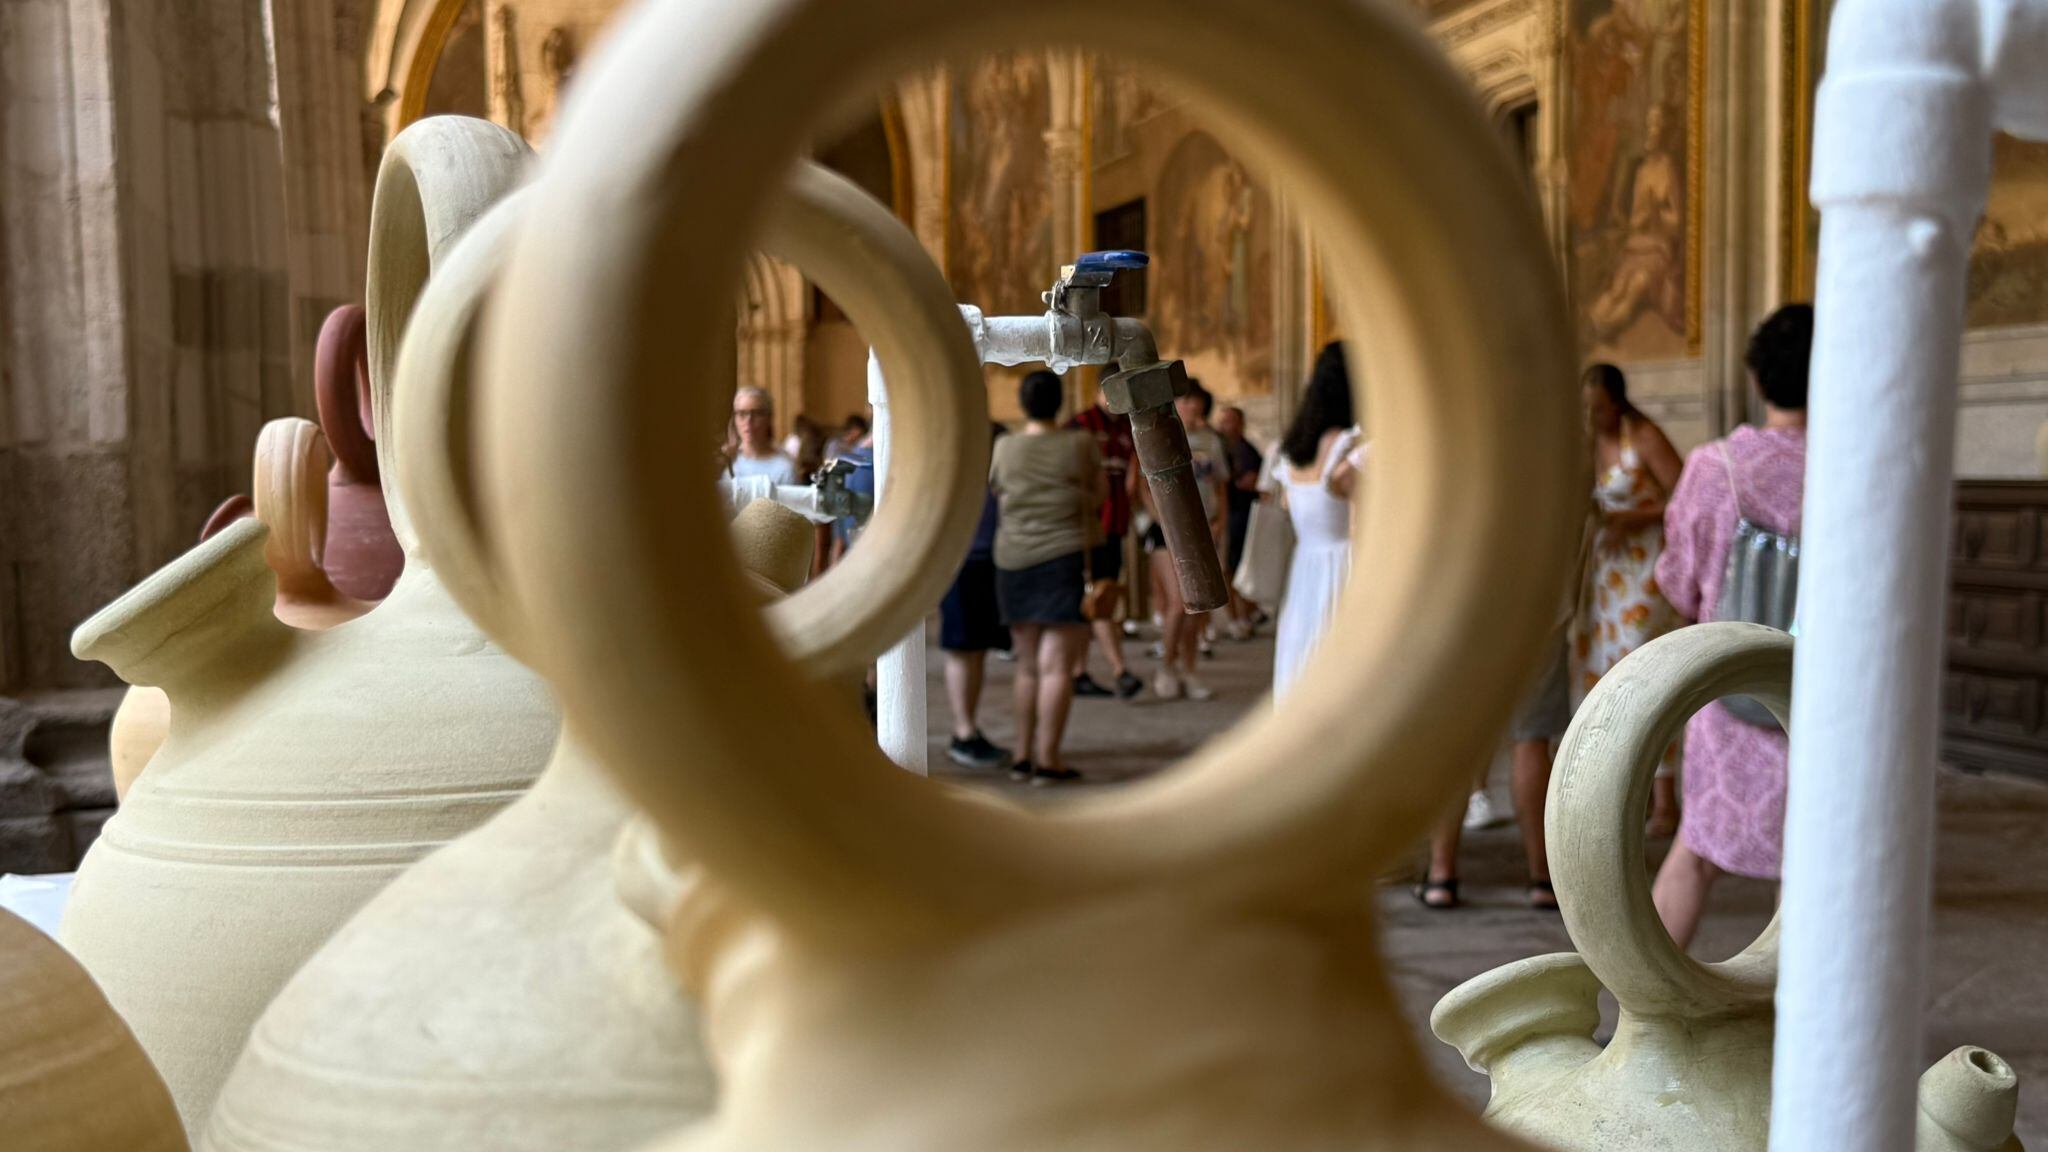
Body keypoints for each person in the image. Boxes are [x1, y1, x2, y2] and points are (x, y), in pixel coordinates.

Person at [1650, 303, 1812, 950]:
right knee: (1813, 866)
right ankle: (1805, 1032)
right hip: (1828, 699)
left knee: (1695, 851)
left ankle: (1642, 1016)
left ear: (1754, 378)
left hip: (1730, 685)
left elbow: (1679, 581)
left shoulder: (1715, 467)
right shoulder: (1858, 467)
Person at [1572, 362, 1686, 836]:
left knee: (1646, 675)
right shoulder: (1585, 442)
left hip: (1644, 573)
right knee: (1603, 674)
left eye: (1598, 406)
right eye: (1585, 407)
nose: (1591, 415)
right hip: (1604, 574)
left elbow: (1684, 496)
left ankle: (1665, 802)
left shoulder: (1643, 436)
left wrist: (1635, 517)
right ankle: (1622, 790)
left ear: (1616, 402)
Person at [988, 371, 1104, 785]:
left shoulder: (1005, 447)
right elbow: (1100, 496)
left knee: (1027, 666)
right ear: (1060, 401)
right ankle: (1048, 760)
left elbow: (999, 495)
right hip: (1064, 558)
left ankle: (1021, 756)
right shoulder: (1080, 443)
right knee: (1057, 668)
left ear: (1022, 403)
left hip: (1013, 560)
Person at [1415, 623, 1574, 911]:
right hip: (1540, 610)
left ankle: (1441, 875)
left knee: (1455, 739)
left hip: (1465, 611)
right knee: (1531, 742)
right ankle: (1544, 879)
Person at [1272, 343, 1360, 701]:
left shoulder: (1291, 448)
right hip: (1344, 564)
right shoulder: (1350, 446)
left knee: (1303, 655)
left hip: (1305, 568)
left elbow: (1286, 502)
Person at [1146, 381, 1230, 700]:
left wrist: (1221, 520)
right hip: (1167, 532)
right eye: (1184, 399)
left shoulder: (1211, 441)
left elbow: (1221, 485)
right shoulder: (1156, 432)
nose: (1190, 405)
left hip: (1203, 527)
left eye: (1194, 400)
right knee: (1180, 604)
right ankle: (1167, 666)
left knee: (1198, 606)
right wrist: (1161, 519)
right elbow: (1138, 485)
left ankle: (1189, 670)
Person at [941, 423, 1014, 771]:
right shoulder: (954, 471)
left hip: (989, 562)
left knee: (978, 648)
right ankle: (963, 731)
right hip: (960, 564)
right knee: (962, 647)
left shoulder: (993, 474)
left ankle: (968, 726)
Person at [1068, 385, 1145, 699]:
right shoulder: (1082, 424)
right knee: (1097, 597)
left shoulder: (1126, 427)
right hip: (1088, 527)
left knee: (1104, 594)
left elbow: (1133, 472)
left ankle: (1079, 672)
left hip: (1116, 523)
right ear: (1104, 389)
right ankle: (1119, 669)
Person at [1216, 404, 1268, 640]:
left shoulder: (1248, 451)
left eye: (1230, 421)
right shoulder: (1219, 447)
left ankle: (1246, 614)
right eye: (1223, 421)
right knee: (1227, 567)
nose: (1225, 426)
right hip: (1226, 513)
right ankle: (1240, 616)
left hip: (1242, 514)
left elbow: (1253, 481)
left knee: (1239, 565)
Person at [730, 387, 799, 485]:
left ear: (769, 418)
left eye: (757, 414)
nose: (748, 421)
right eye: (742, 413)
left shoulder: (784, 468)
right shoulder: (727, 462)